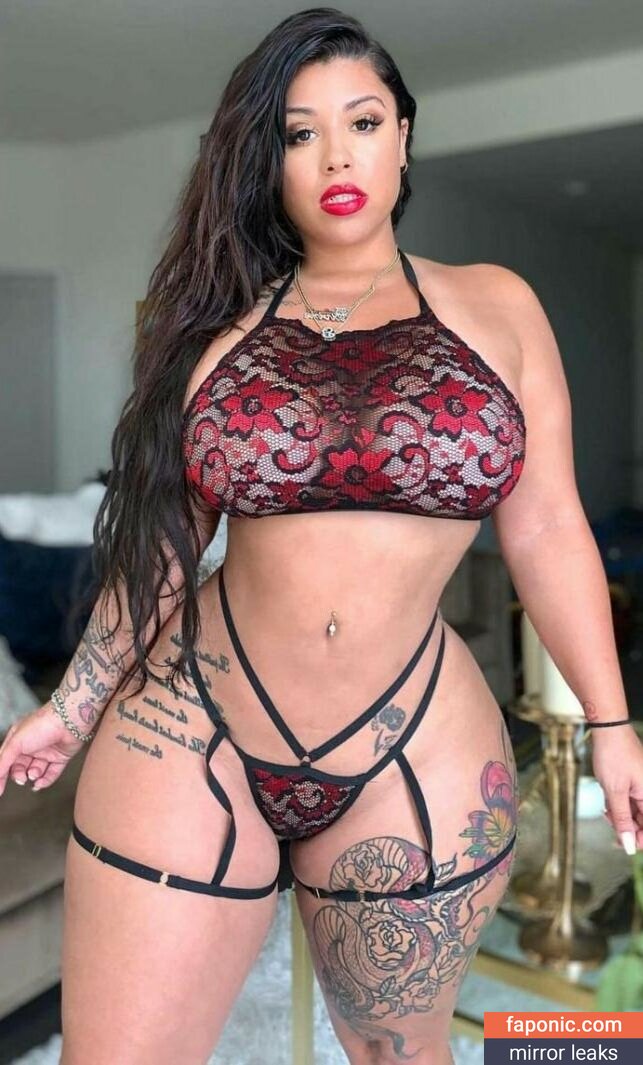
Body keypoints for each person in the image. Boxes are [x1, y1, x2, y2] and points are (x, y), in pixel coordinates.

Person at [1, 7, 642, 1064]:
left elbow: (548, 526)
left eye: (362, 121)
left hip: (410, 742)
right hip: (192, 724)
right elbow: (164, 545)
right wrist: (69, 709)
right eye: (299, 134)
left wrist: (611, 722)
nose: (336, 156)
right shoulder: (215, 332)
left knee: (401, 1054)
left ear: (403, 136)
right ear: (269, 161)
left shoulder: (496, 305)